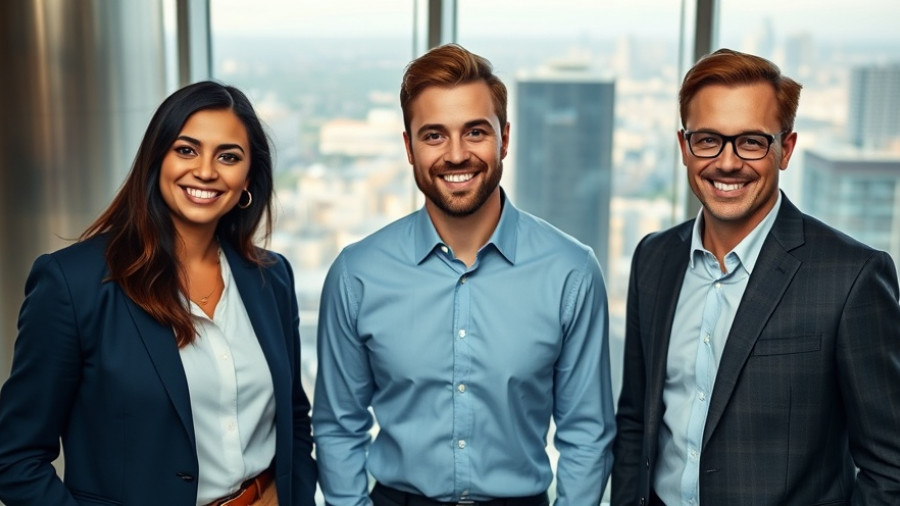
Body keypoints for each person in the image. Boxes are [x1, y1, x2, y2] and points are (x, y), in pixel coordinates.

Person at [312, 43, 615, 505]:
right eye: (434, 135)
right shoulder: (358, 275)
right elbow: (338, 424)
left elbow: (588, 431)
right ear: (408, 147)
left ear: (505, 139)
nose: (456, 155)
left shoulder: (571, 271)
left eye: (475, 132)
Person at [0, 81, 317, 505]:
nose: (205, 170)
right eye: (186, 150)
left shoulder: (272, 278)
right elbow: (15, 458)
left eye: (228, 156)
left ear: (247, 181)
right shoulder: (72, 284)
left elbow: (294, 417)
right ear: (156, 159)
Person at [611, 48, 900, 505]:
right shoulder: (654, 259)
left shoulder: (851, 278)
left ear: (785, 149)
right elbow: (634, 422)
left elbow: (891, 467)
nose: (727, 163)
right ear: (685, 147)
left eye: (751, 141)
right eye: (708, 140)